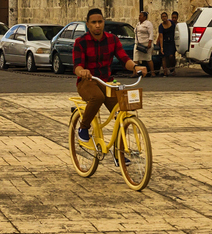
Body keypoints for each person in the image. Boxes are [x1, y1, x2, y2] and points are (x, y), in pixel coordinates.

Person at [73, 8, 147, 144]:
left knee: (122, 111)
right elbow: (77, 66)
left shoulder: (112, 39)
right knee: (97, 97)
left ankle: (121, 152)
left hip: (107, 82)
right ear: (88, 24)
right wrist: (82, 71)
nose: (97, 25)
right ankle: (83, 128)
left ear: (104, 22)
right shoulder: (80, 42)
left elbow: (124, 59)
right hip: (87, 82)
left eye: (100, 22)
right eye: (93, 22)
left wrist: (136, 67)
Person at [134, 10, 156, 76]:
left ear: (145, 17)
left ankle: (152, 72)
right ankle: (135, 72)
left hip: (145, 43)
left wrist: (150, 42)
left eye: (141, 16)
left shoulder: (148, 24)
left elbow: (151, 33)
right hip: (138, 44)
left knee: (148, 58)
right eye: (139, 15)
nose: (139, 17)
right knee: (136, 58)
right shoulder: (138, 24)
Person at [156, 11, 177, 77]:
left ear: (167, 17)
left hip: (171, 42)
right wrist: (161, 47)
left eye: (165, 16)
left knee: (171, 56)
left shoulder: (172, 23)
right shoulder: (161, 26)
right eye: (162, 17)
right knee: (164, 57)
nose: (164, 18)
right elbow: (161, 36)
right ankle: (165, 72)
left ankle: (172, 68)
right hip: (165, 42)